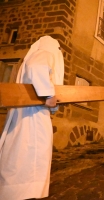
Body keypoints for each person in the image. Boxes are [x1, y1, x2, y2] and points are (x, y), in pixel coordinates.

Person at [0, 36, 64, 199]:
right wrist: (48, 94)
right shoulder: (48, 49)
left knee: (20, 159)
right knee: (30, 160)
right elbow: (37, 66)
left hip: (27, 114)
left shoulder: (38, 52)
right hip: (33, 115)